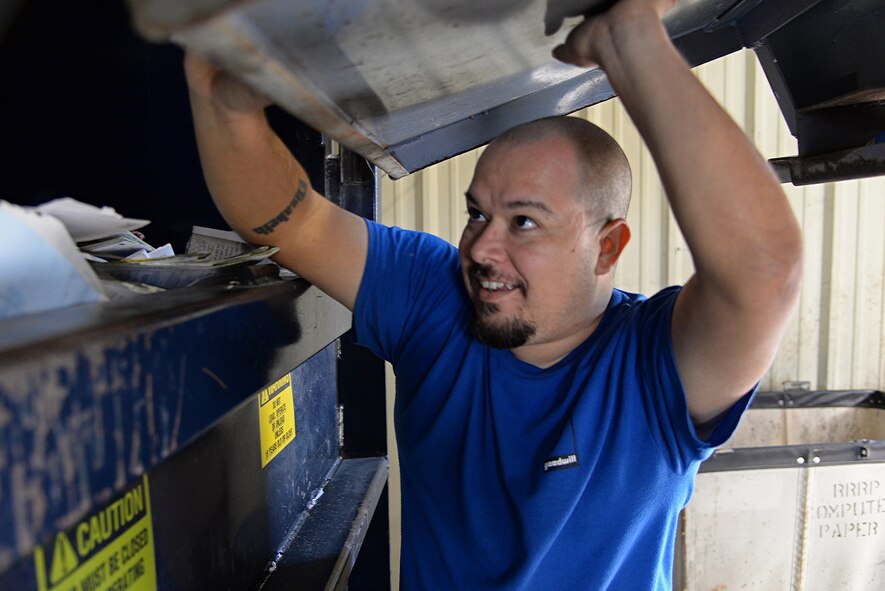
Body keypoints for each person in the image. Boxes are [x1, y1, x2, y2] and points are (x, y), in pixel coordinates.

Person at [184, 0, 803, 588]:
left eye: (524, 222)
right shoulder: (435, 295)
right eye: (477, 214)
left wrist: (634, 40)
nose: (481, 249)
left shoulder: (656, 364)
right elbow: (293, 222)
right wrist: (226, 103)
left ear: (607, 248)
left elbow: (763, 272)